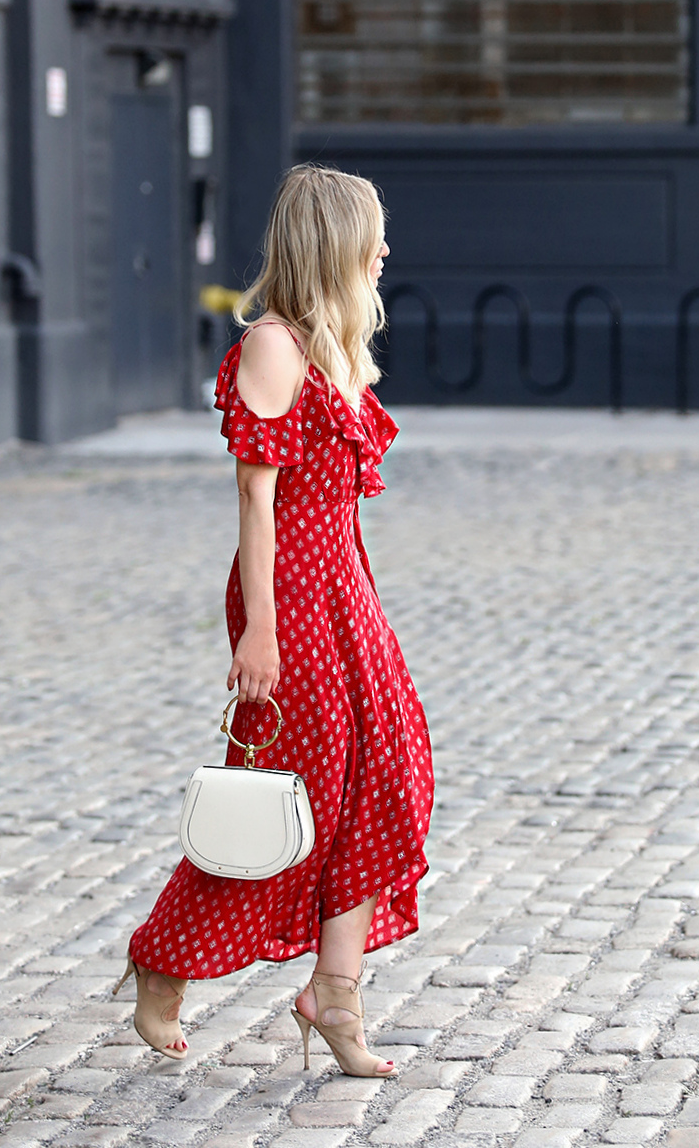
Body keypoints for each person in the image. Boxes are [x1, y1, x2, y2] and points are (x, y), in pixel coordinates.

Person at [114, 164, 434, 1078]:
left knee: (392, 776)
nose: (385, 251)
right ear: (334, 244)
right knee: (285, 791)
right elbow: (256, 505)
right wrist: (260, 630)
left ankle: (334, 989)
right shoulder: (274, 346)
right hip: (287, 595)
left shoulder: (333, 347)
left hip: (346, 588)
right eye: (373, 234)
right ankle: (163, 957)